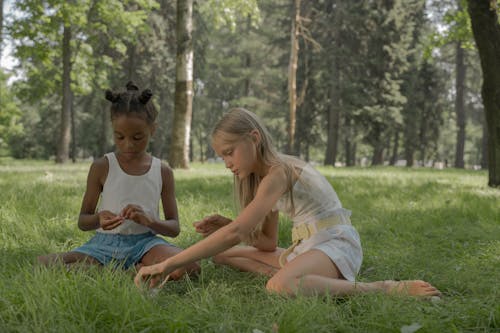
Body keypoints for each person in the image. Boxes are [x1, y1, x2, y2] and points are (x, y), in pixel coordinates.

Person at [135, 108, 440, 297]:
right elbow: (266, 243)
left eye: (229, 152)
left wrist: (168, 263)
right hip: (308, 248)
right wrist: (231, 225)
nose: (227, 162)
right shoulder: (263, 179)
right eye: (222, 156)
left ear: (254, 138)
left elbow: (238, 234)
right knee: (222, 257)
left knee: (277, 287)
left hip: (336, 245)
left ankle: (382, 289)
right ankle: (302, 279)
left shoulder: (279, 172)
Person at [38, 81, 200, 280]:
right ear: (113, 130)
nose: (128, 144)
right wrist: (99, 219)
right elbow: (83, 221)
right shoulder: (102, 166)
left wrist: (151, 221)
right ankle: (129, 272)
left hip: (146, 246)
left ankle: (115, 272)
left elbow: (174, 228)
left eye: (138, 137)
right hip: (105, 244)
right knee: (43, 263)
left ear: (153, 129)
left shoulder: (163, 171)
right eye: (120, 137)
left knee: (190, 267)